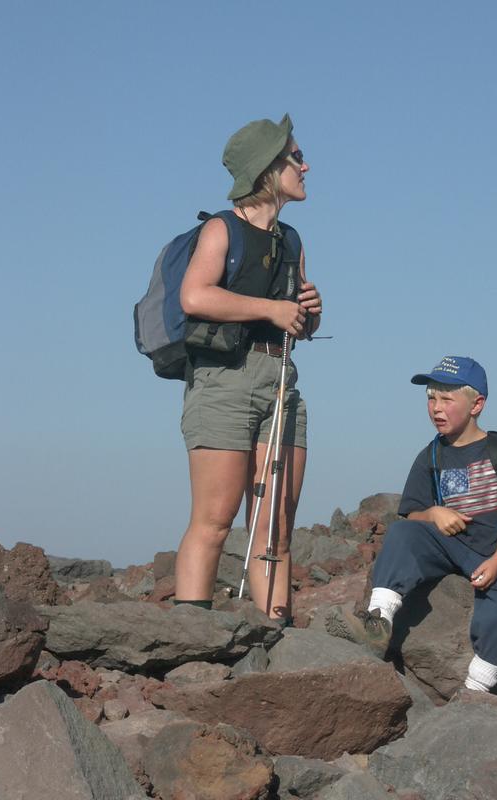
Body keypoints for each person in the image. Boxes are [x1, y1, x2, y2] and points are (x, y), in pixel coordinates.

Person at [175, 114, 322, 624]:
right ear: (267, 168)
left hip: (280, 380)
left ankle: (276, 638)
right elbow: (194, 296)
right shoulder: (222, 228)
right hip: (225, 381)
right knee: (215, 520)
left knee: (275, 525)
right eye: (296, 157)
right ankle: (191, 640)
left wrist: (309, 314)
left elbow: (297, 323)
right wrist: (271, 310)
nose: (306, 165)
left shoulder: (292, 240)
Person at [327, 356, 497, 692]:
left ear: (477, 405)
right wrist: (434, 513)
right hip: (450, 547)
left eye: (446, 399)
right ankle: (377, 623)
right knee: (402, 533)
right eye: (430, 398)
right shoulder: (431, 455)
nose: (436, 408)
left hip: (494, 549)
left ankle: (477, 687)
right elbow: (412, 515)